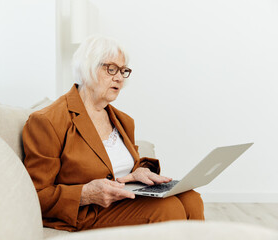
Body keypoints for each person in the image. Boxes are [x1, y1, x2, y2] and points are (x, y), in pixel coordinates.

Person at [22, 36, 205, 232]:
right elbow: (35, 195)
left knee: (191, 198)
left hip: (124, 200)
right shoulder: (48, 121)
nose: (119, 77)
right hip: (87, 211)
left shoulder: (123, 120)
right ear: (86, 69)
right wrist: (85, 193)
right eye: (111, 69)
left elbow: (120, 167)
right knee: (167, 208)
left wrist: (139, 171)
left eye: (123, 70)